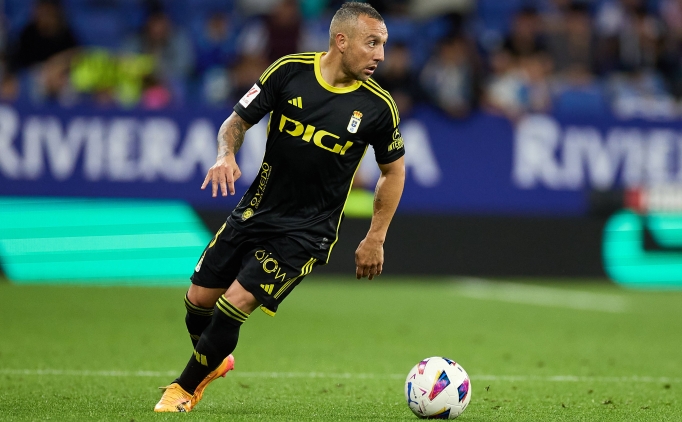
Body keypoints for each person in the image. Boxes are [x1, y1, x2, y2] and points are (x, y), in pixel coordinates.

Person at [154, 1, 406, 413]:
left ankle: (182, 389)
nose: (380, 54)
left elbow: (393, 172)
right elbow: (236, 121)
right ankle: (213, 360)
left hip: (307, 231)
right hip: (256, 211)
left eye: (383, 44)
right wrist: (225, 155)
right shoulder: (289, 71)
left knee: (234, 303)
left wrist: (375, 237)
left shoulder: (378, 106)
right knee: (198, 301)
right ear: (341, 41)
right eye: (372, 43)